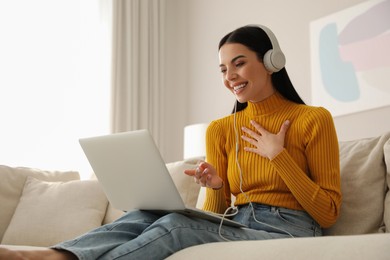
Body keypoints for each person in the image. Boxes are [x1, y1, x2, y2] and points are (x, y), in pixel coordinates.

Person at [0, 24, 342, 260]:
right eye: (223, 69)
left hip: (291, 230)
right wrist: (217, 186)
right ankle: (54, 254)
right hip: (239, 221)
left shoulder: (312, 119)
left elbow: (327, 214)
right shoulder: (221, 129)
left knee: (176, 226)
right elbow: (214, 216)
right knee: (145, 214)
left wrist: (278, 156)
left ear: (271, 62)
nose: (230, 76)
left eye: (239, 64)